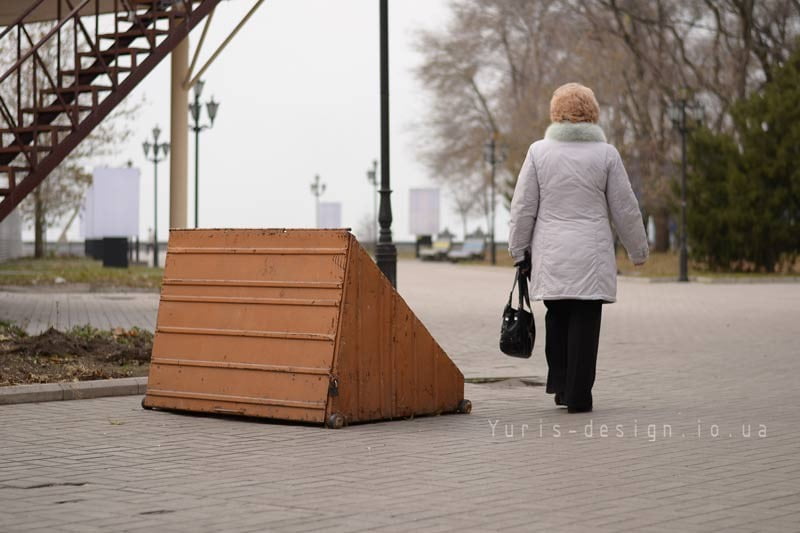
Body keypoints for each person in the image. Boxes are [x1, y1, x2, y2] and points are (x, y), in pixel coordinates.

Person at [508, 82, 649, 413]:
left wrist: (518, 250)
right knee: (586, 322)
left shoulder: (538, 152)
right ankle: (579, 395)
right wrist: (638, 250)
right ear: (592, 114)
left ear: (555, 113)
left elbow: (523, 207)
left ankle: (559, 384)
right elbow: (625, 207)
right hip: (592, 256)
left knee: (556, 316)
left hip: (552, 255)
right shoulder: (606, 155)